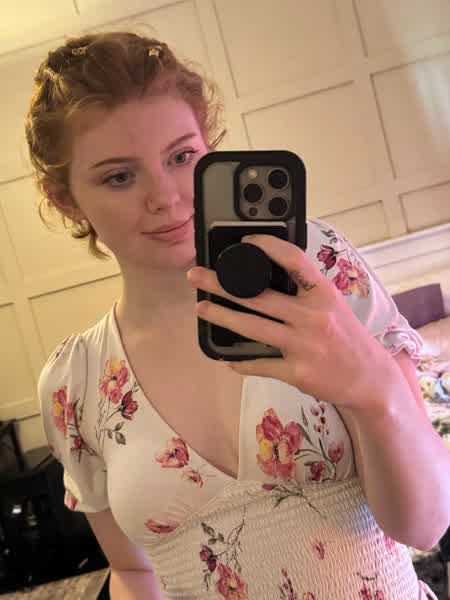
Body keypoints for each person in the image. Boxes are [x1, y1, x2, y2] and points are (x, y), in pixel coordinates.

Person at [25, 31, 449, 599]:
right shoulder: (74, 384)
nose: (166, 197)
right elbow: (133, 573)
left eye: (182, 157)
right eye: (119, 176)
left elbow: (425, 525)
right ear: (65, 197)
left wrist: (374, 388)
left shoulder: (316, 269)